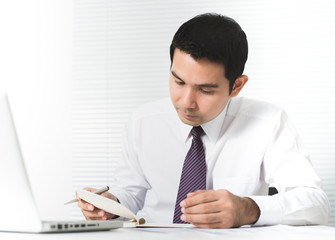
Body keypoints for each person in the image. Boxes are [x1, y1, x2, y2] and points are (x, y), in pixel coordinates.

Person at [77, 13, 330, 228]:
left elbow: (316, 203)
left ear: (236, 86)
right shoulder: (143, 121)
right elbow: (130, 193)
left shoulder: (268, 122)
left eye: (206, 90)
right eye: (178, 81)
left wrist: (248, 209)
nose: (186, 101)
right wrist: (110, 204)